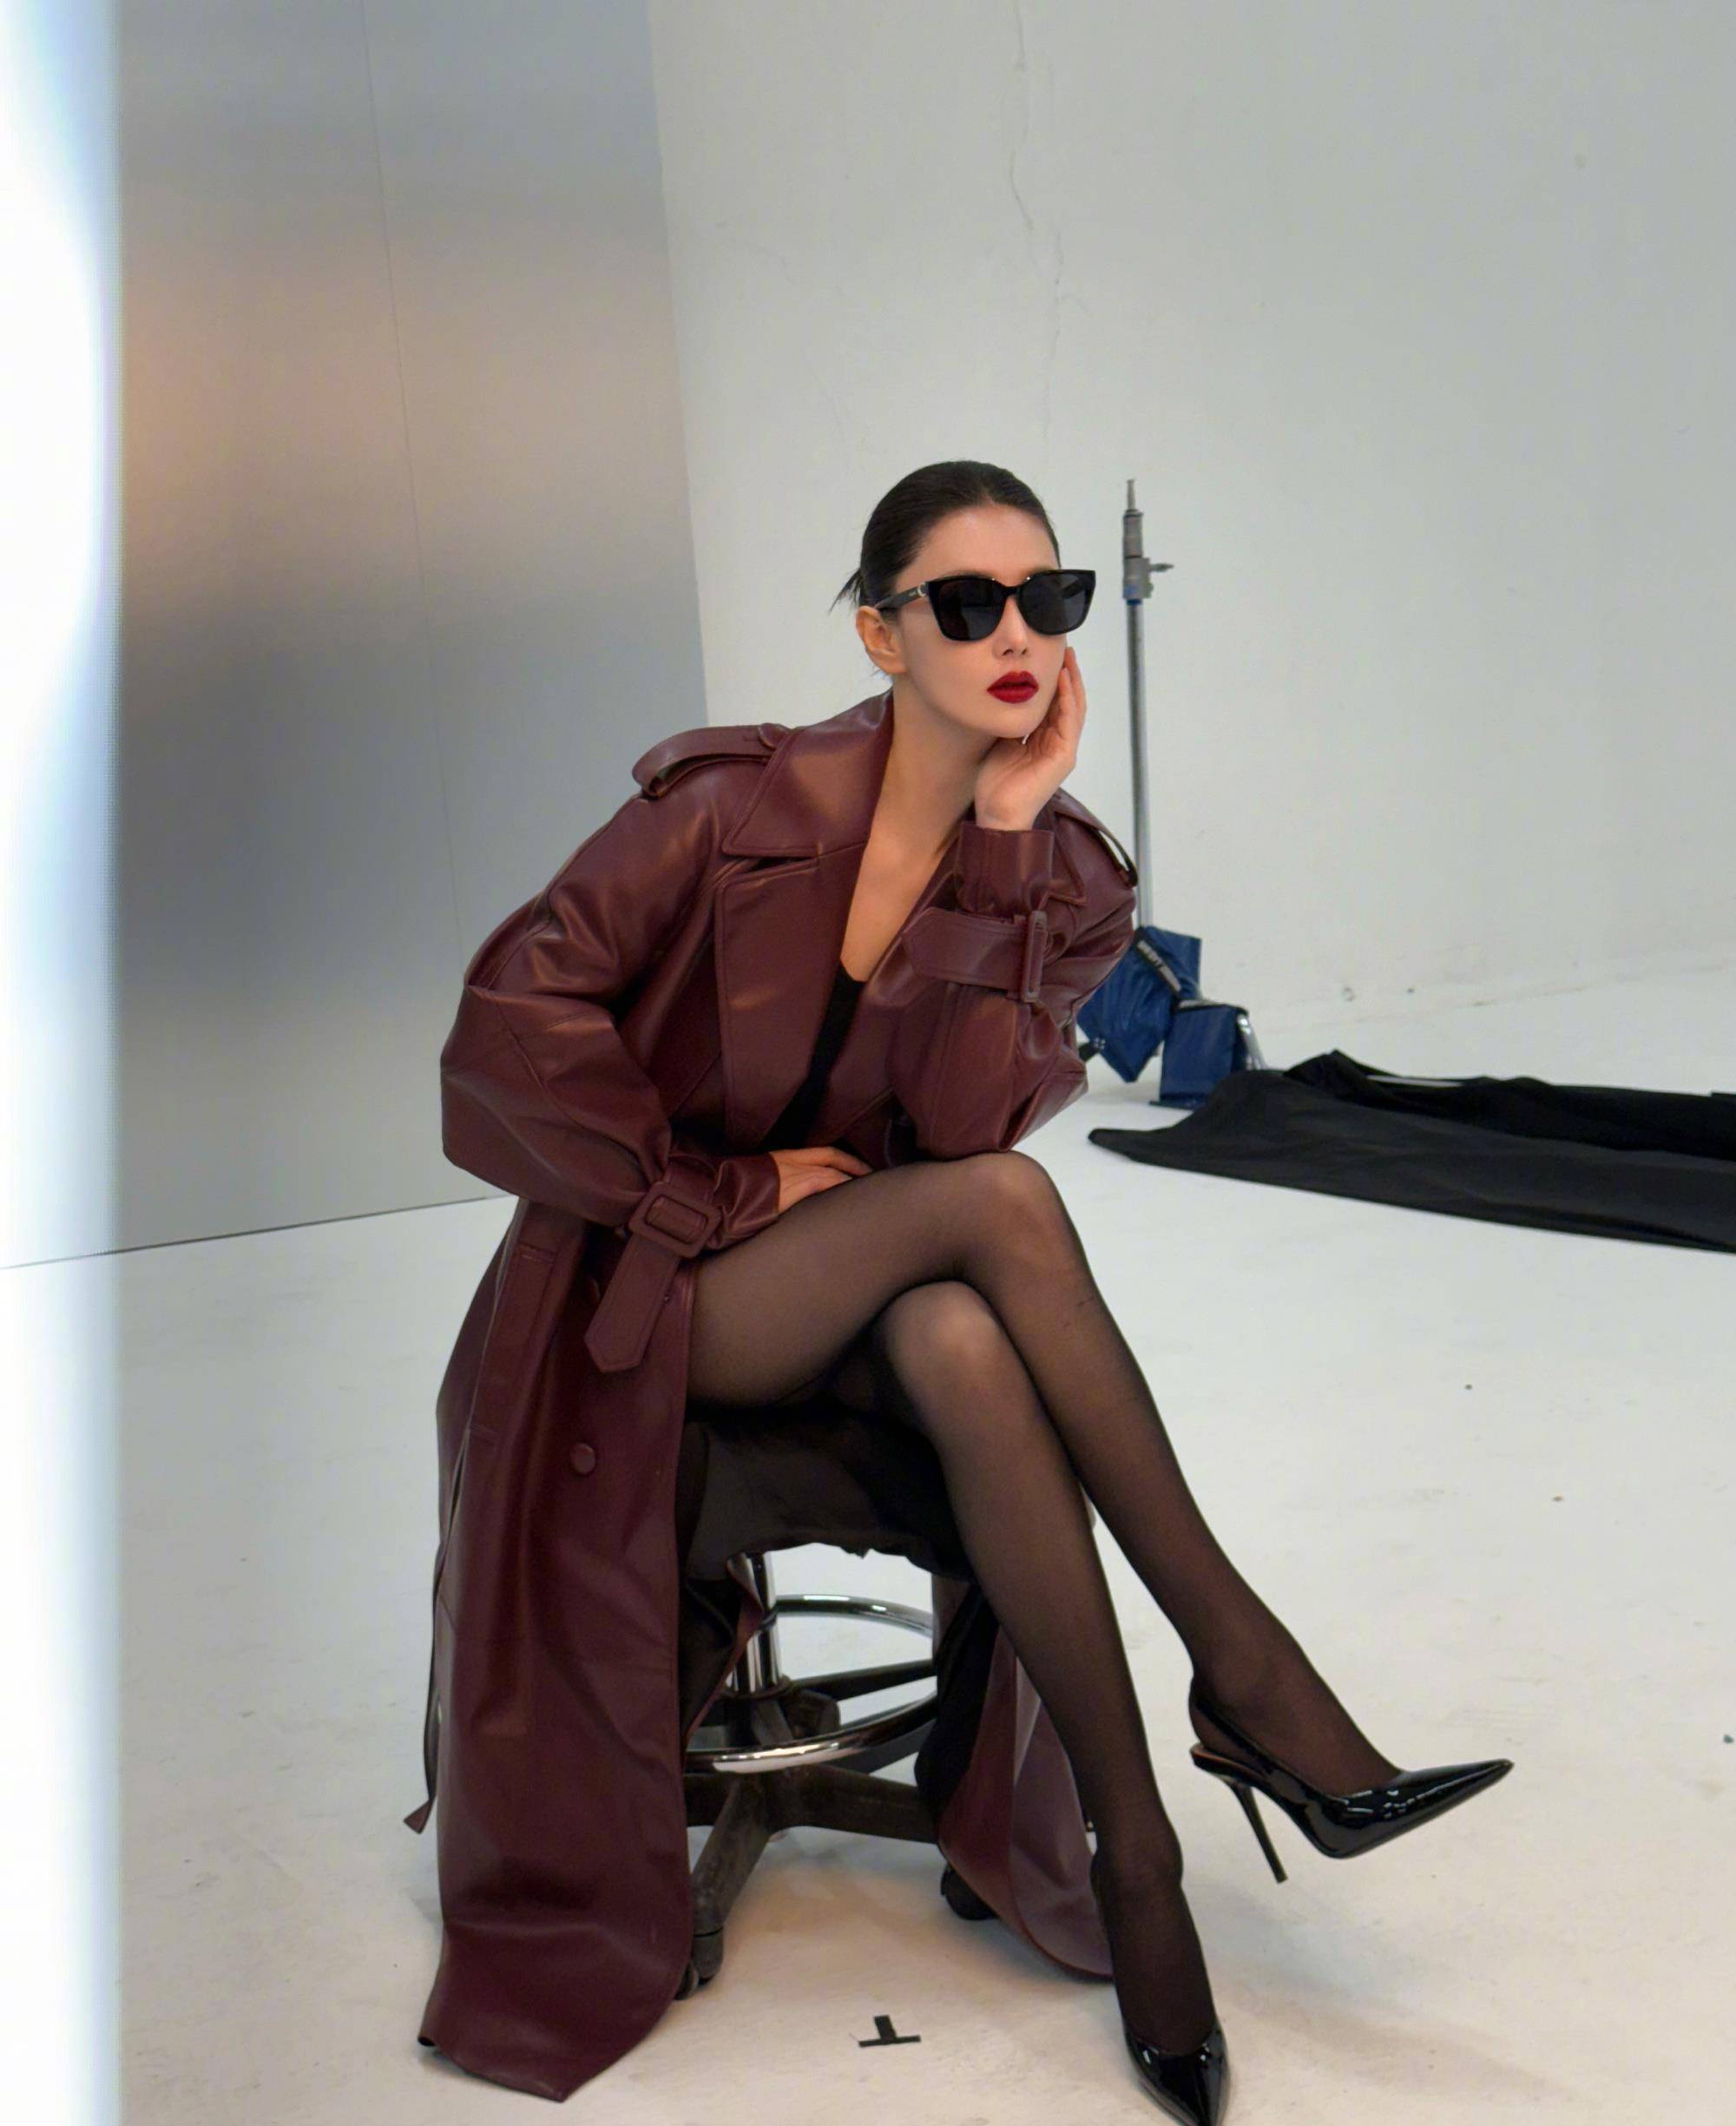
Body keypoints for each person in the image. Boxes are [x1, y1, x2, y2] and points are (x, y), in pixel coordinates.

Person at [677, 461, 1512, 2126]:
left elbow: (956, 1128)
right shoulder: (733, 809)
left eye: (1048, 599)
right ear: (880, 631)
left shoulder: (1063, 872)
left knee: (964, 1329)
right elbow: (508, 1057)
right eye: (966, 602)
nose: (1019, 633)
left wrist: (998, 843)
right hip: (687, 1277)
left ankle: (1141, 1859)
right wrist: (740, 1188)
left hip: (889, 1285)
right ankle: (1248, 1674)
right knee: (1004, 1206)